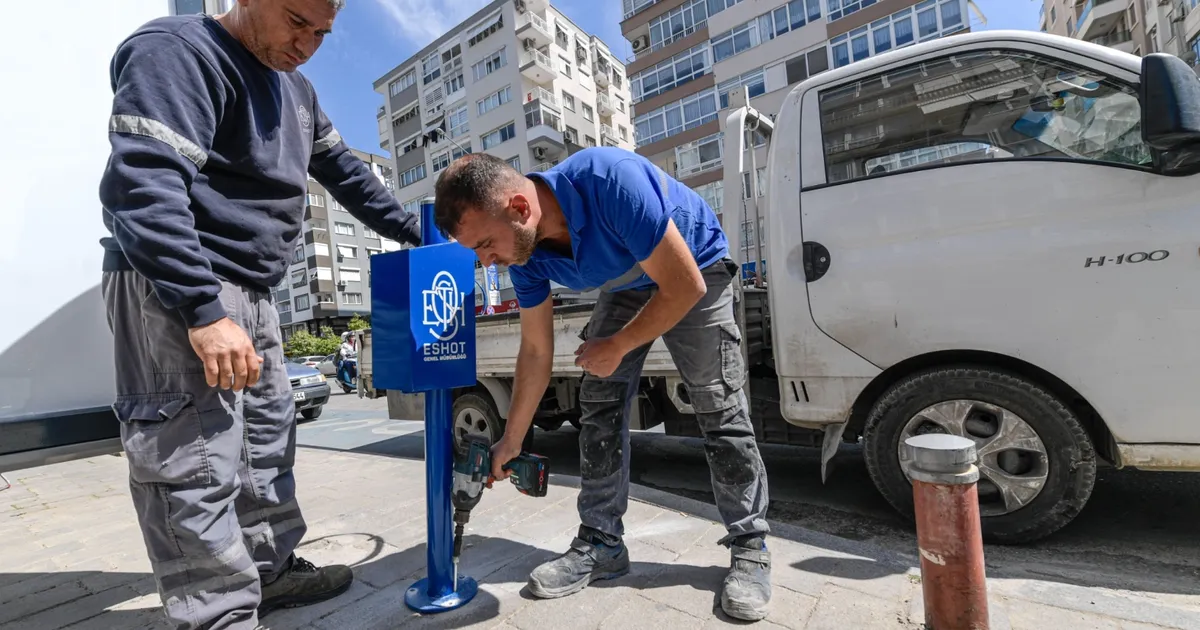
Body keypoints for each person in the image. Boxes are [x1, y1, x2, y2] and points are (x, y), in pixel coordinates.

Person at [97, 1, 420, 628]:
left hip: (255, 289)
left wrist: (419, 233)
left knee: (264, 445)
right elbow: (145, 185)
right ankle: (217, 613)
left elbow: (348, 174)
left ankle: (269, 572)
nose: (307, 44)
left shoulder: (295, 88)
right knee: (191, 459)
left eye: (323, 33)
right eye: (296, 21)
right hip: (182, 283)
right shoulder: (179, 51)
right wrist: (201, 307)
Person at [432, 148, 773, 621]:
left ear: (520, 208)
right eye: (478, 254)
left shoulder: (610, 182)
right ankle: (602, 543)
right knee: (600, 403)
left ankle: (750, 545)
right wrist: (511, 439)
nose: (488, 264)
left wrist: (618, 344)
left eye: (487, 245)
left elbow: (684, 286)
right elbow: (535, 350)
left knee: (717, 403)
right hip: (628, 280)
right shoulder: (526, 253)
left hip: (695, 265)